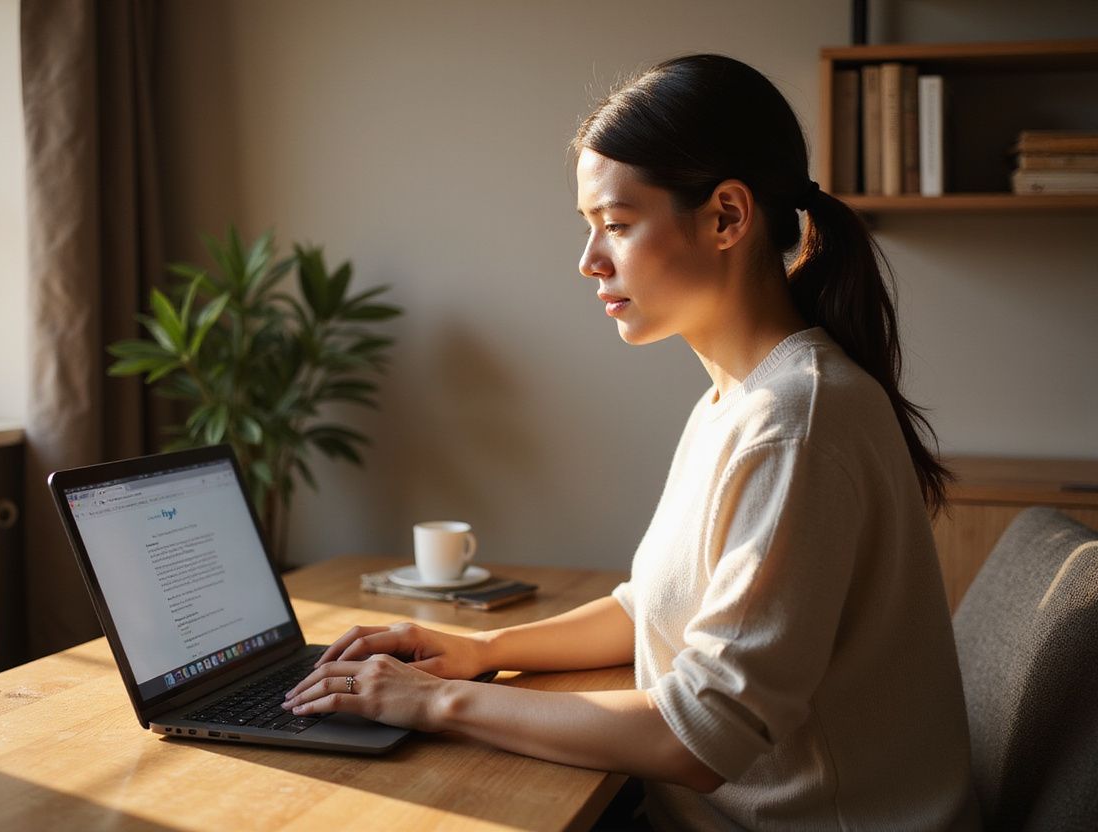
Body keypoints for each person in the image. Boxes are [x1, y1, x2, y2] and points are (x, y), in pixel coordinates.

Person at [283, 54, 978, 830]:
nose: (589, 261)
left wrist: (436, 702)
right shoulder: (737, 401)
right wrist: (482, 650)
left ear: (726, 217)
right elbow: (652, 606)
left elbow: (702, 735)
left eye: (615, 225)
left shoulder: (795, 422)